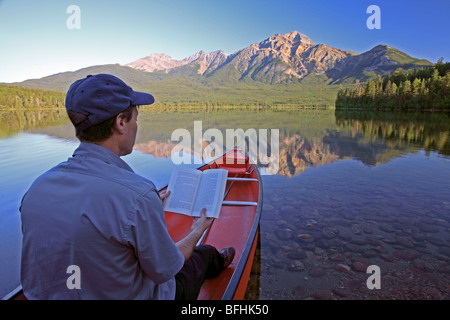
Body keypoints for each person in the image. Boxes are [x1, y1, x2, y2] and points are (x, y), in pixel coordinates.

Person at [20, 74, 235, 300]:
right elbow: (166, 269)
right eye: (135, 119)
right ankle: (217, 261)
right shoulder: (137, 194)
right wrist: (197, 230)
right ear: (121, 122)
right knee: (202, 256)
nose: (136, 126)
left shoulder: (36, 189)